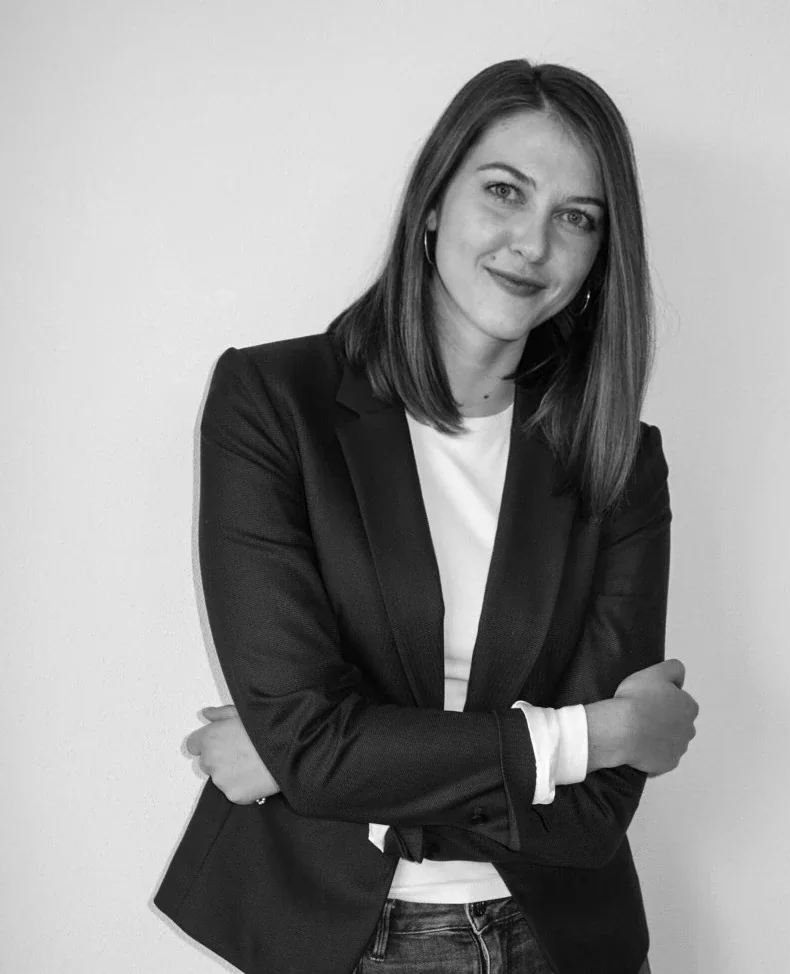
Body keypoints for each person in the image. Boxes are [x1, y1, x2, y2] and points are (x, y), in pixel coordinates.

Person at [154, 58, 699, 974]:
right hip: (338, 936)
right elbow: (319, 746)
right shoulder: (273, 403)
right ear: (434, 202)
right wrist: (594, 733)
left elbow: (598, 810)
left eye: (576, 218)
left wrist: (314, 767)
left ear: (601, 257)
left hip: (568, 939)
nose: (532, 243)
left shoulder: (618, 455)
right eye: (504, 192)